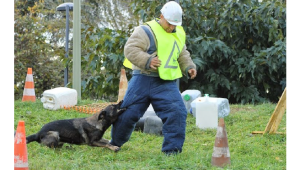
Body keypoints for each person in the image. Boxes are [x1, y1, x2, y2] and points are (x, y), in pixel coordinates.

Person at [110, 1, 197, 155]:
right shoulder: (145, 31)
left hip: (166, 83)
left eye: (175, 25)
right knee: (127, 114)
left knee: (177, 113)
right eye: (169, 23)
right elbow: (130, 49)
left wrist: (189, 67)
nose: (172, 27)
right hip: (142, 79)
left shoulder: (178, 33)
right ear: (161, 16)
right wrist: (148, 60)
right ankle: (114, 143)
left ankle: (172, 152)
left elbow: (182, 53)